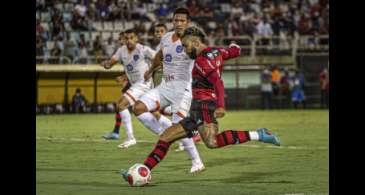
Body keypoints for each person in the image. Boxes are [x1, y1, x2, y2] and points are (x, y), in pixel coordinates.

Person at [121, 27, 280, 181]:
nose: (184, 50)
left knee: (212, 142)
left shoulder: (202, 61)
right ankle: (144, 170)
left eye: (185, 46)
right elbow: (233, 51)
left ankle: (259, 134)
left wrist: (221, 106)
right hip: (196, 107)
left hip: (204, 106)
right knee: (166, 137)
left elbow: (217, 82)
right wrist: (234, 46)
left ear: (196, 42)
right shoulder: (216, 51)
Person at [132, 8, 205, 173]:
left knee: (178, 127)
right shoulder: (166, 38)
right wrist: (150, 70)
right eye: (176, 20)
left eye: (182, 21)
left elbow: (204, 56)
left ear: (188, 23)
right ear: (172, 21)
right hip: (165, 87)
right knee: (138, 107)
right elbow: (159, 55)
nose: (178, 23)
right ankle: (164, 133)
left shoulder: (193, 40)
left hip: (183, 90)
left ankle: (197, 162)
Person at [100, 29, 171, 149]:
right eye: (126, 38)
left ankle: (130, 138)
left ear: (136, 39)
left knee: (121, 104)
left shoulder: (143, 49)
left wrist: (151, 71)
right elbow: (111, 63)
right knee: (153, 113)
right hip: (136, 85)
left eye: (131, 38)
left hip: (144, 84)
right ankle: (171, 133)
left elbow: (159, 58)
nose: (129, 41)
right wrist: (107, 65)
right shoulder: (121, 50)